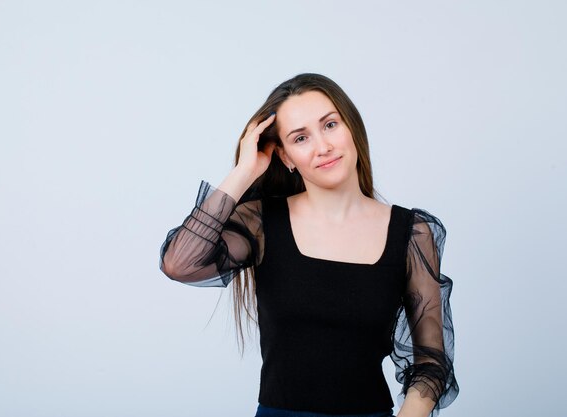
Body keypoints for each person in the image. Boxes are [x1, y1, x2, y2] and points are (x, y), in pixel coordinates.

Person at [159, 73, 459, 417]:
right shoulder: (261, 223)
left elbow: (431, 363)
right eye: (300, 137)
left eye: (330, 125)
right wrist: (245, 170)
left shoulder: (411, 233)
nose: (323, 146)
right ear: (285, 156)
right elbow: (179, 264)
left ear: (351, 128)